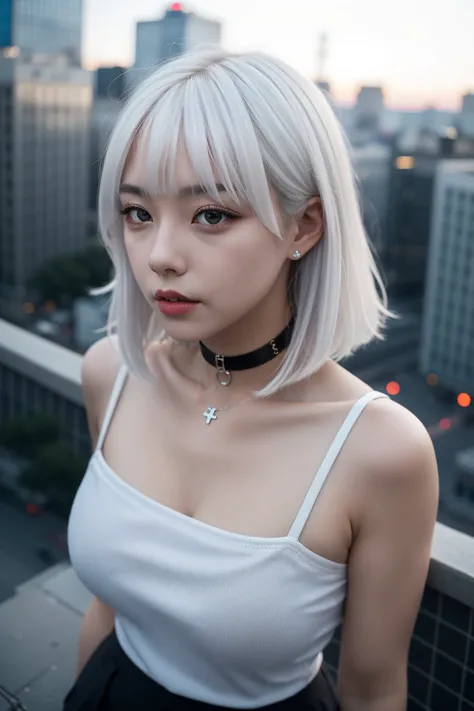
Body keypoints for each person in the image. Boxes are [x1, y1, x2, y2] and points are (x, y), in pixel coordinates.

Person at [63, 48, 439, 711]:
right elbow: (109, 606)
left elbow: (374, 687)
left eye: (211, 214)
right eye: (137, 212)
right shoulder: (110, 374)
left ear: (304, 224)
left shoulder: (380, 451)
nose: (160, 256)